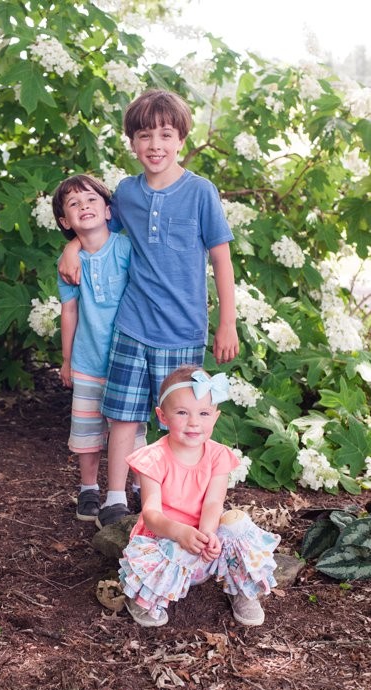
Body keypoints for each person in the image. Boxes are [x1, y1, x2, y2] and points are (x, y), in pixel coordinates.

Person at [58, 89, 239, 530]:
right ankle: (116, 499)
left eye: (165, 134)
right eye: (144, 135)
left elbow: (221, 259)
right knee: (122, 414)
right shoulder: (127, 193)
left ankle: (177, 500)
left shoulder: (200, 192)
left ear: (181, 140)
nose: (155, 144)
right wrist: (72, 246)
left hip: (183, 331)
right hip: (132, 326)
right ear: (132, 142)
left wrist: (227, 323)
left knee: (184, 420)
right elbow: (99, 228)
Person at [118, 365, 279, 628]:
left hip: (204, 547)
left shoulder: (218, 456)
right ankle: (144, 595)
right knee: (167, 547)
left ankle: (242, 589)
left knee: (238, 522)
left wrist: (207, 535)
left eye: (203, 413)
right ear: (163, 416)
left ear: (215, 417)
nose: (194, 422)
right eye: (182, 412)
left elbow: (214, 502)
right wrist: (180, 533)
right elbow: (151, 514)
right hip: (166, 544)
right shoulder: (154, 458)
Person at [52, 174, 145, 521]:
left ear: (108, 210)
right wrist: (67, 360)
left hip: (128, 359)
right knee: (88, 431)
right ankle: (88, 489)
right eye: (74, 204)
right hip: (88, 361)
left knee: (132, 430)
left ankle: (137, 487)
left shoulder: (125, 249)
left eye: (91, 200)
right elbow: (69, 311)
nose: (84, 207)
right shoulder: (68, 264)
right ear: (65, 221)